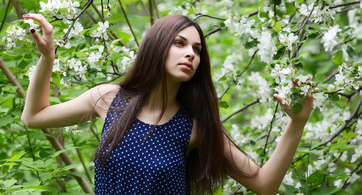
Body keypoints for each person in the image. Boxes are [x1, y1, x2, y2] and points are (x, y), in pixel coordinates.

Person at [21, 13, 314, 195]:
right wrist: (47, 58)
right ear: (157, 46)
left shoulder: (195, 126)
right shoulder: (109, 99)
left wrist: (296, 123)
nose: (191, 54)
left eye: (197, 50)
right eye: (179, 43)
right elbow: (34, 116)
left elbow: (264, 184)